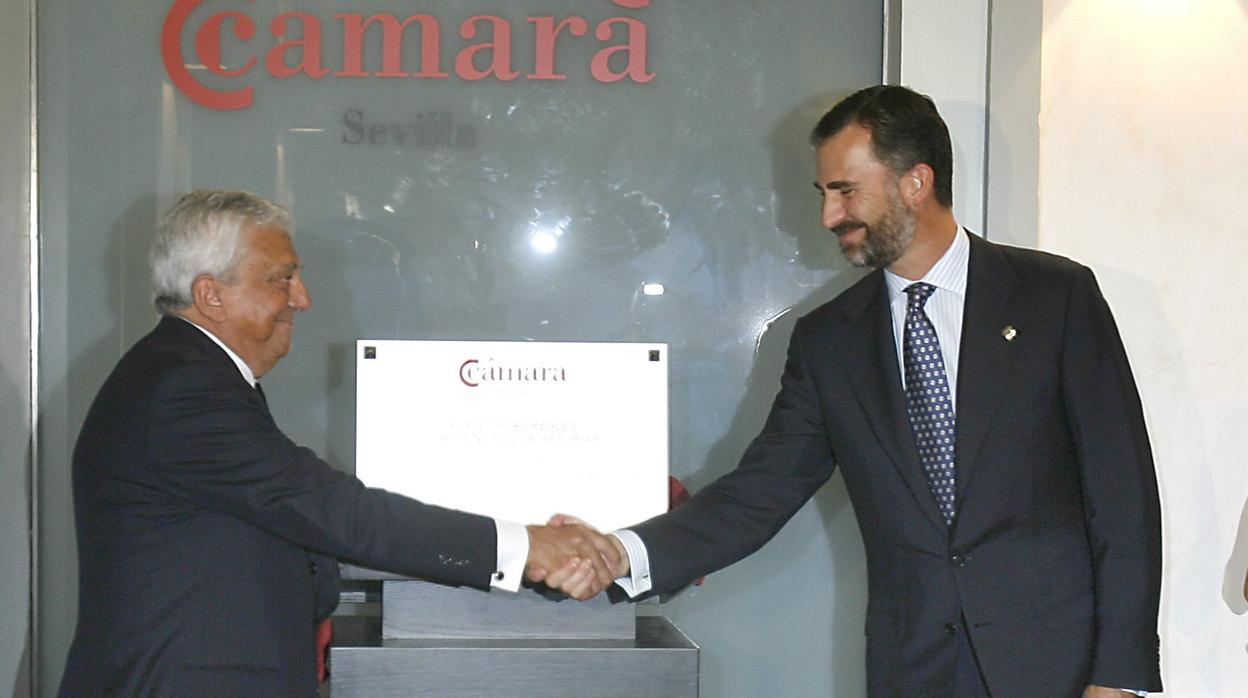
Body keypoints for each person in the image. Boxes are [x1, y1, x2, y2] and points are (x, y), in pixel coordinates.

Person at [549, 86, 1164, 697]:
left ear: (915, 183)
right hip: (917, 672)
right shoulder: (828, 342)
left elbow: (1122, 498)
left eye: (845, 190)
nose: (828, 216)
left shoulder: (1054, 297)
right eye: (823, 194)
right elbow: (758, 494)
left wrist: (1118, 677)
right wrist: (623, 552)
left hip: (1060, 671)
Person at [59, 190, 618, 696]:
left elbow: (286, 522)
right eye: (282, 278)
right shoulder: (183, 390)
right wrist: (526, 547)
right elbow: (334, 512)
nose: (302, 298)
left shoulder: (187, 374)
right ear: (211, 295)